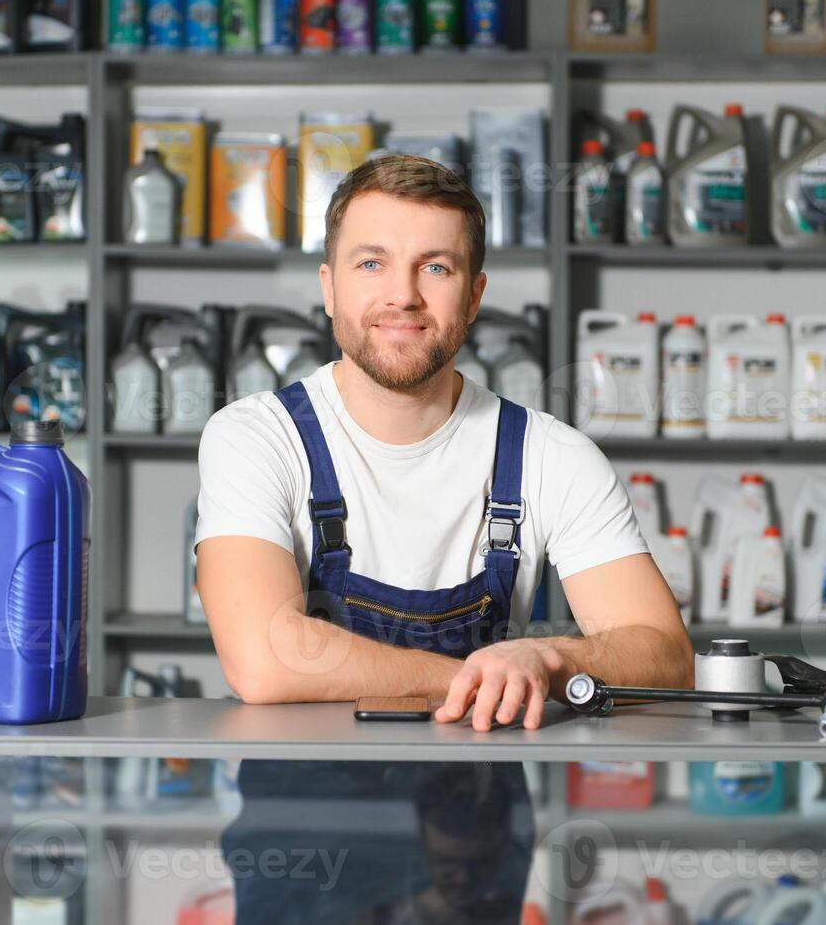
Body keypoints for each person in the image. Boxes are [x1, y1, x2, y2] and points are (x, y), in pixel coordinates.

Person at [194, 153, 693, 923]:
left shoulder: (549, 456)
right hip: (304, 854)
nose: (401, 294)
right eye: (371, 262)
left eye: (435, 266)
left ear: (474, 294)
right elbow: (265, 659)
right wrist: (467, 681)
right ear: (328, 285)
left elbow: (664, 657)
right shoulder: (256, 438)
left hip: (473, 854)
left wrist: (545, 657)